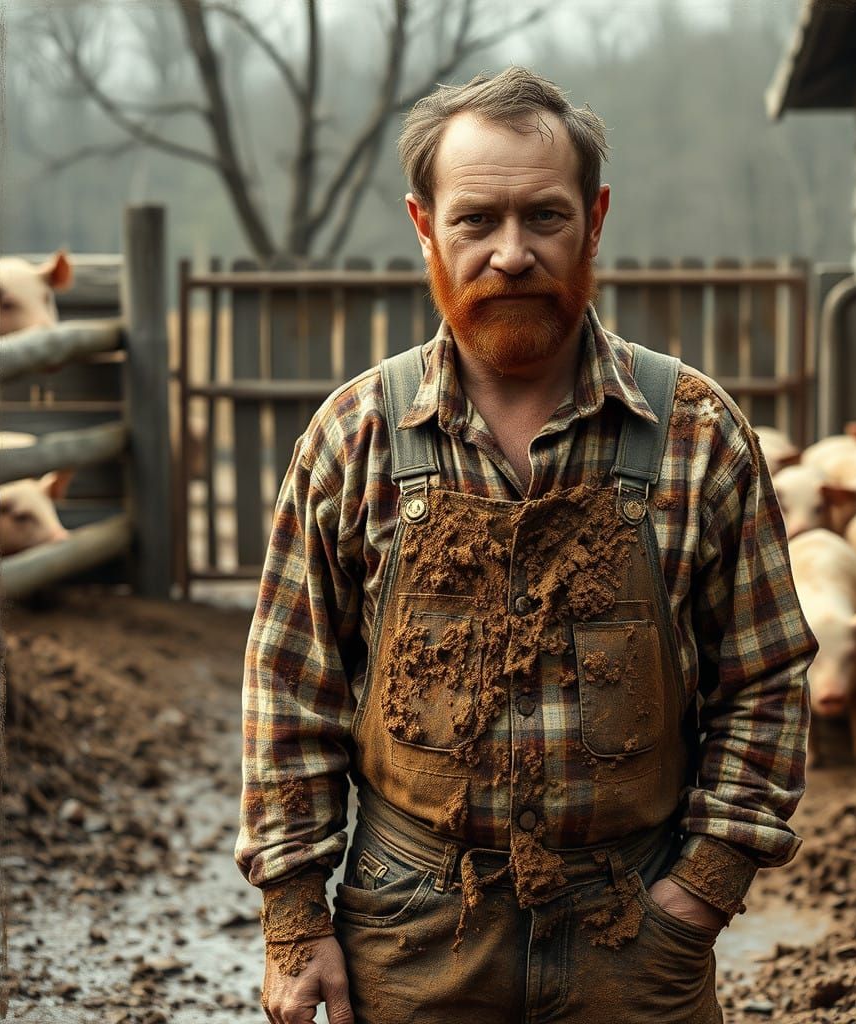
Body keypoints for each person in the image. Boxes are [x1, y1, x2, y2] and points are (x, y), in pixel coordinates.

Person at [237, 66, 816, 1024]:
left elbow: (766, 676)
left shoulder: (696, 432)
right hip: (411, 932)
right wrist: (296, 923)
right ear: (426, 226)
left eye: (544, 217)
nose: (511, 255)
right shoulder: (356, 439)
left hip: (636, 932)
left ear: (593, 218)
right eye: (476, 221)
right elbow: (290, 692)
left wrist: (702, 890)